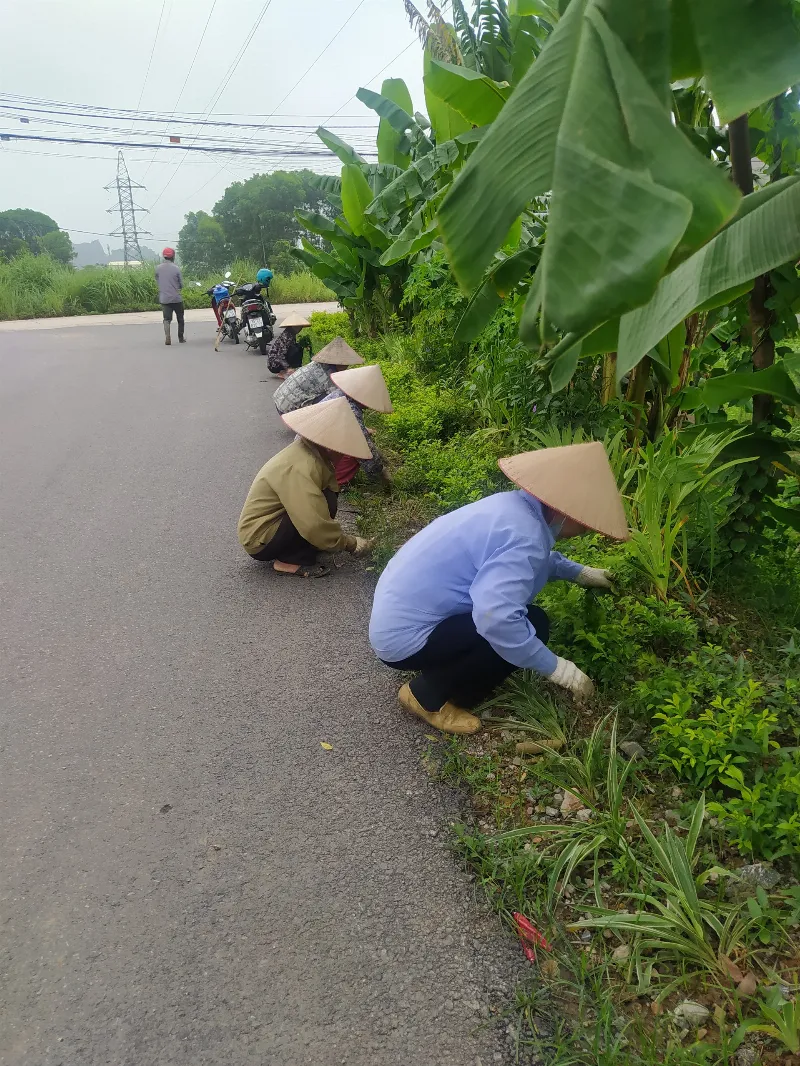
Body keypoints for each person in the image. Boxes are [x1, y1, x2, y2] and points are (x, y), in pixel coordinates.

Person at [369, 441, 629, 735]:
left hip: (398, 619)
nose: (584, 530)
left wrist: (580, 573)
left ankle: (446, 667)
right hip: (405, 640)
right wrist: (558, 669)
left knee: (523, 625)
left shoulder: (514, 508)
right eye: (584, 524)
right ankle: (427, 695)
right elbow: (497, 618)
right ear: (563, 511)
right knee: (532, 624)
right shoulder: (525, 535)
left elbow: (532, 558)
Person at [238, 396, 375, 578]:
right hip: (260, 538)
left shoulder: (311, 453)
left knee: (326, 497)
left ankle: (311, 545)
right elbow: (312, 520)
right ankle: (288, 561)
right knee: (312, 514)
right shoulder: (301, 466)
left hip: (274, 525)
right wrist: (349, 543)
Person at [321, 364, 393, 488]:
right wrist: (381, 474)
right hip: (318, 452)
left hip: (317, 443)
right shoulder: (350, 410)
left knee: (363, 436)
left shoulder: (341, 395)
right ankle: (337, 483)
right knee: (356, 449)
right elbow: (365, 449)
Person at [273, 337, 364, 413]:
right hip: (288, 410)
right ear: (340, 363)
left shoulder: (317, 364)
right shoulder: (329, 375)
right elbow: (339, 401)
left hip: (280, 402)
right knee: (336, 400)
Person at [264, 313, 312, 378]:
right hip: (273, 363)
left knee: (298, 347)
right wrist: (288, 368)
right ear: (293, 327)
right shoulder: (286, 337)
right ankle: (283, 371)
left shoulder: (291, 335)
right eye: (299, 327)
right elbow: (280, 355)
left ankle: (287, 369)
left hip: (278, 361)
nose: (300, 329)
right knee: (294, 349)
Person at [155, 247, 185, 345]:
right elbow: (181, 284)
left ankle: (167, 337)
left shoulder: (158, 268)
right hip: (176, 298)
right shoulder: (176, 268)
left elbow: (157, 280)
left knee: (167, 319)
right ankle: (181, 338)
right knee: (180, 318)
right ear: (173, 256)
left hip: (164, 299)